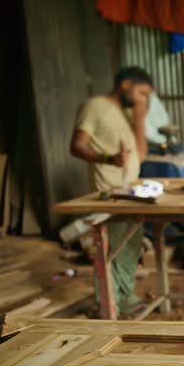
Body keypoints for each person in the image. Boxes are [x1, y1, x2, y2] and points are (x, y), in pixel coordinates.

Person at [70, 66, 152, 315]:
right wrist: (108, 158)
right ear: (125, 84)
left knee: (130, 246)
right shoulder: (96, 106)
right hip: (109, 191)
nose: (143, 100)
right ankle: (108, 303)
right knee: (111, 248)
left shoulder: (125, 114)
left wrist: (139, 117)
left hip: (131, 191)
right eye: (141, 93)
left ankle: (124, 297)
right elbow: (76, 146)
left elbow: (142, 154)